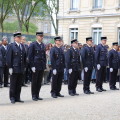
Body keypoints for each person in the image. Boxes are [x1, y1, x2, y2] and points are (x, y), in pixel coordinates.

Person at [6, 32, 26, 104]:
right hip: (14, 68)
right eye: (18, 37)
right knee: (13, 84)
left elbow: (24, 57)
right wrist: (10, 67)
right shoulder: (11, 46)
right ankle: (12, 97)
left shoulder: (22, 46)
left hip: (20, 68)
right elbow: (9, 58)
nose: (19, 38)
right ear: (15, 38)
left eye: (20, 37)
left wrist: (24, 66)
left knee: (19, 84)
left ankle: (17, 97)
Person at [28, 32, 46, 101]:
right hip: (35, 66)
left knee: (39, 81)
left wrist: (44, 65)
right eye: (40, 36)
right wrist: (32, 66)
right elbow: (30, 56)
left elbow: (44, 56)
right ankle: (34, 95)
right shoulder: (33, 44)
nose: (41, 37)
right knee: (34, 81)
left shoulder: (42, 45)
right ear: (37, 36)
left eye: (42, 36)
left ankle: (37, 94)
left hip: (41, 66)